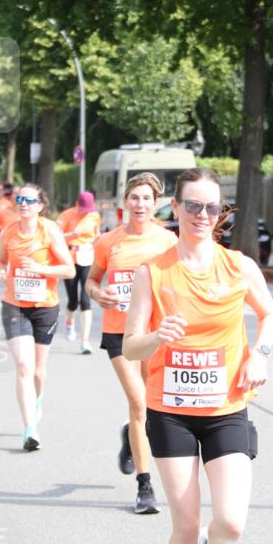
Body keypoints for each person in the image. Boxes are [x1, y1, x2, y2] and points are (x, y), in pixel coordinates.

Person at [123, 168, 273, 544]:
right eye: (193, 205)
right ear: (175, 208)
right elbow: (130, 346)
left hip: (226, 407)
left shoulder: (238, 267)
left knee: (230, 520)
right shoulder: (154, 271)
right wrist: (155, 335)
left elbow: (269, 315)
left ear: (220, 213)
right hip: (170, 410)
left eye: (212, 207)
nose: (202, 215)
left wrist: (259, 353)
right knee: (186, 520)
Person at [86, 174, 178, 514]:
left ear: (155, 204)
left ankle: (130, 435)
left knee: (151, 409)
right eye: (134, 198)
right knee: (139, 403)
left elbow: (177, 282)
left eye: (146, 199)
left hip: (154, 333)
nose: (140, 204)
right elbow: (92, 280)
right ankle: (145, 486)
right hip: (119, 333)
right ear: (125, 202)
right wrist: (99, 294)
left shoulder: (167, 240)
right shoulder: (109, 241)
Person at [0, 184, 74, 451]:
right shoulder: (8, 232)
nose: (23, 203)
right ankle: (30, 429)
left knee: (39, 372)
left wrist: (40, 268)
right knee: (24, 367)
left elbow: (69, 270)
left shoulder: (49, 230)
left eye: (29, 200)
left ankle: (38, 399)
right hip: (14, 305)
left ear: (40, 205)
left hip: (45, 306)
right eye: (20, 199)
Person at [57, 191, 101, 354]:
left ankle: (85, 341)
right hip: (70, 258)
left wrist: (98, 240)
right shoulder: (66, 215)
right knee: (73, 301)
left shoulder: (94, 216)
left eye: (89, 209)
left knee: (85, 300)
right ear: (77, 205)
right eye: (84, 209)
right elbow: (55, 236)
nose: (86, 212)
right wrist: (72, 234)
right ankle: (69, 321)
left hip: (88, 257)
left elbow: (96, 234)